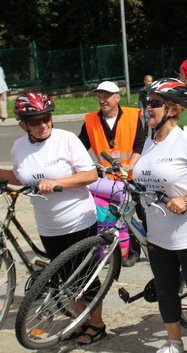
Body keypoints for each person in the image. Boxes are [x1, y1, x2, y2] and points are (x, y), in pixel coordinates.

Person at [0, 92, 106, 345]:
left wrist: (58, 182)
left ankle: (98, 325)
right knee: (66, 279)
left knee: (85, 276)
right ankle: (80, 322)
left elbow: (90, 175)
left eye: (47, 118)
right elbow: (20, 176)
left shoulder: (66, 139)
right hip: (48, 225)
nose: (44, 124)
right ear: (23, 125)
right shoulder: (18, 147)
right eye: (35, 121)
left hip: (78, 219)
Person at [132, 78, 187, 353]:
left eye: (155, 103)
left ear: (174, 109)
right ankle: (174, 343)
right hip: (158, 233)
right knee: (166, 291)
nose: (149, 107)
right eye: (148, 101)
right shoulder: (150, 140)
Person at [78, 81, 146, 267]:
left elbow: (140, 143)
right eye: (99, 96)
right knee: (120, 217)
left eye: (106, 96)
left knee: (144, 213)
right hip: (109, 179)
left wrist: (131, 165)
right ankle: (131, 252)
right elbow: (80, 148)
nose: (102, 100)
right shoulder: (91, 121)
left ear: (117, 97)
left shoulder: (133, 116)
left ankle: (156, 247)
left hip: (132, 176)